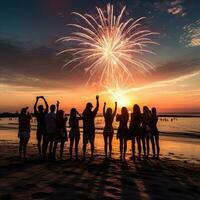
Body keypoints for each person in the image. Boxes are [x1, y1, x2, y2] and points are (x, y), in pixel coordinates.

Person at [82, 95, 99, 160]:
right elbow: (97, 107)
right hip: (91, 131)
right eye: (91, 107)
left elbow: (96, 108)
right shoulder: (92, 114)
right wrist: (97, 100)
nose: (92, 108)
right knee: (92, 143)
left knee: (85, 144)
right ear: (90, 107)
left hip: (86, 130)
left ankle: (84, 156)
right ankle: (91, 156)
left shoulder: (84, 112)